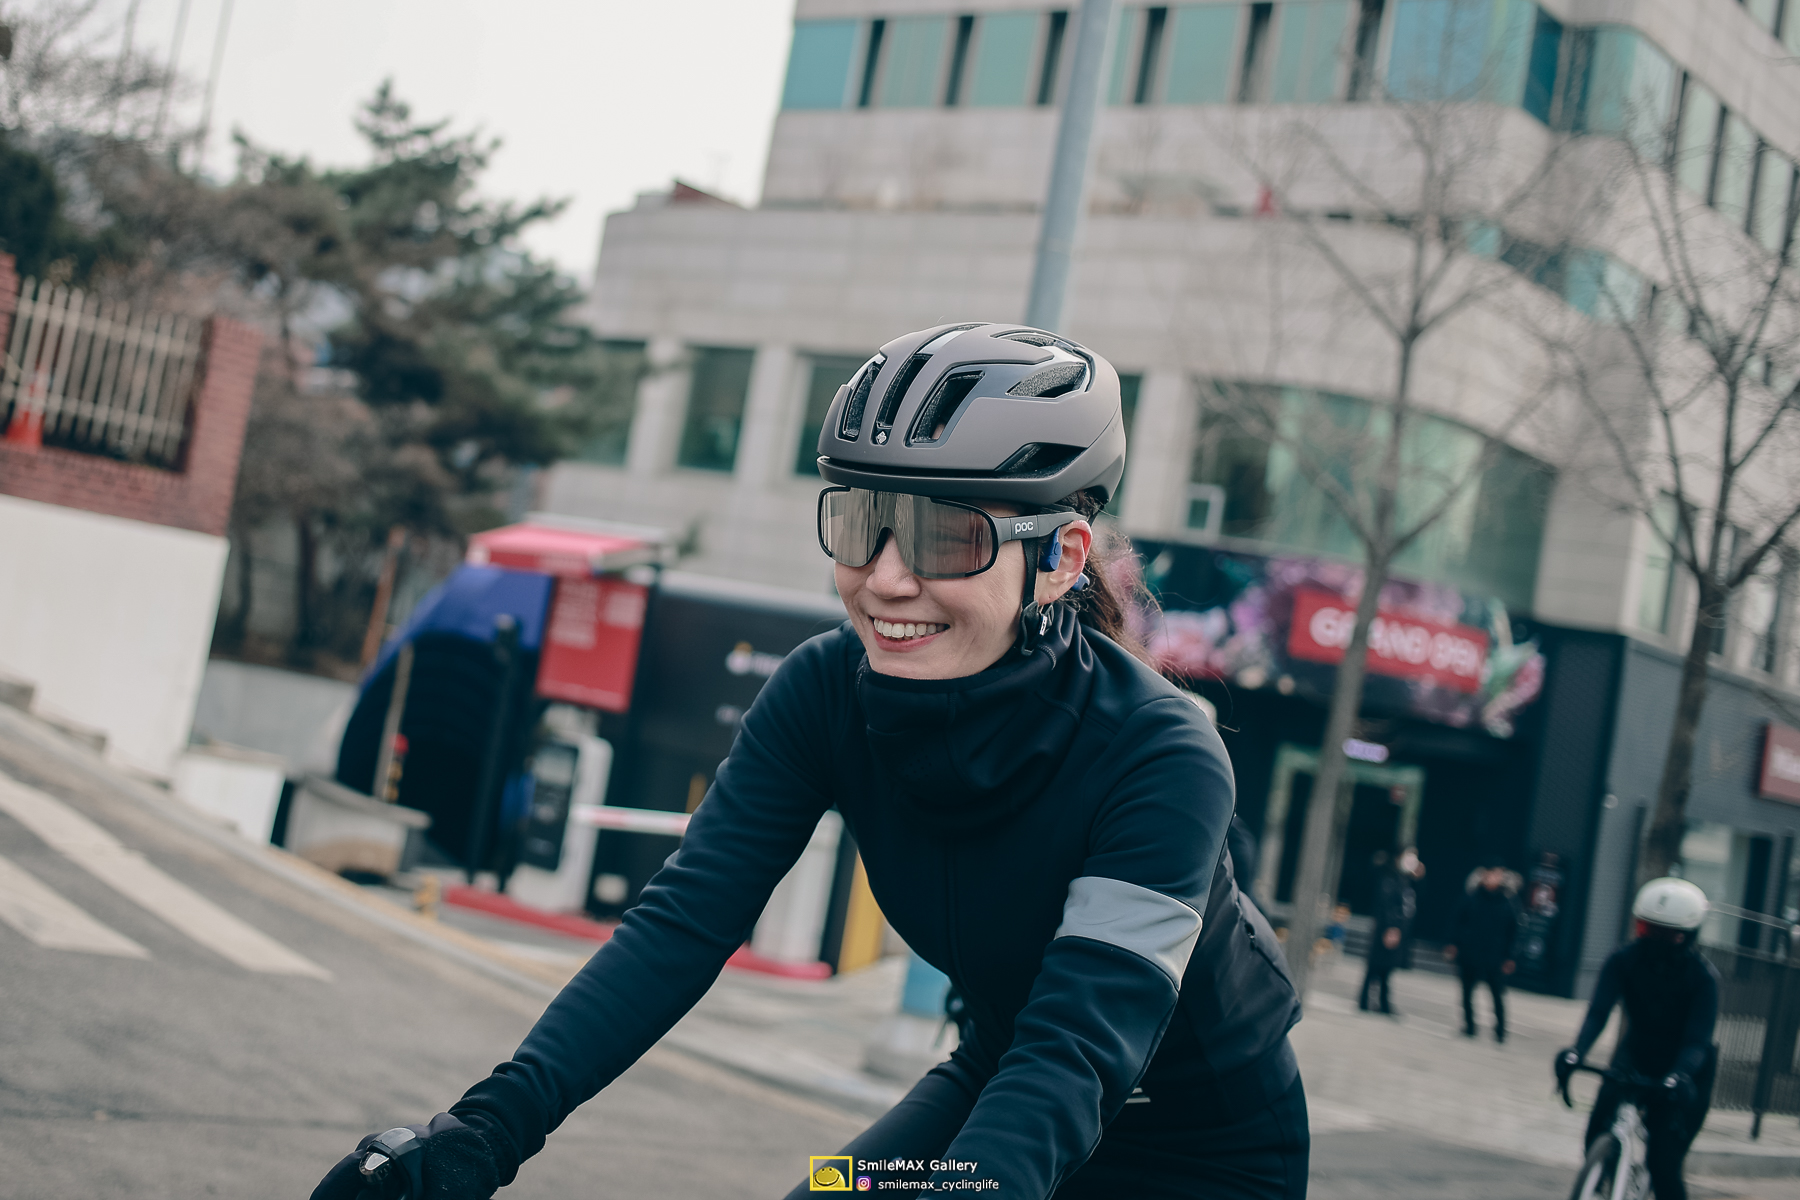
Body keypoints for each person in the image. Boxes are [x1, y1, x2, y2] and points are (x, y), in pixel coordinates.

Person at [311, 323, 1307, 1200]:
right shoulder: (825, 690)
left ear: (1063, 557)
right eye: (864, 524)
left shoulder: (1160, 755)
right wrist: (482, 1134)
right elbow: (681, 925)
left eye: (946, 537)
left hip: (1200, 1152)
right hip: (990, 1084)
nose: (885, 580)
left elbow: (1076, 1048)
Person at [1554, 878, 1718, 1200]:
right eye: (1646, 929)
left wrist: (1680, 1074)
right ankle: (1603, 1179)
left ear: (1687, 936)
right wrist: (1577, 1051)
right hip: (1637, 1052)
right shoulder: (1623, 960)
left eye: (1666, 934)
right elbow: (1597, 1013)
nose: (1653, 940)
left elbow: (1697, 1040)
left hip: (1686, 1067)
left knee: (1663, 1165)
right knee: (1595, 1134)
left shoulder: (1702, 979)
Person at [1445, 859, 1519, 1042]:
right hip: (1470, 953)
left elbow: (1514, 932)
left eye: (1497, 874)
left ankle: (1500, 1030)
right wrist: (1453, 944)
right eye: (1490, 874)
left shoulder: (1507, 902)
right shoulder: (1471, 897)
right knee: (1467, 992)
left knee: (1497, 994)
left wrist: (1510, 957)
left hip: (1495, 956)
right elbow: (1457, 921)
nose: (1492, 878)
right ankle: (1469, 1026)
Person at [1359, 848, 1422, 1016]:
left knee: (1386, 969)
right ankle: (1365, 1001)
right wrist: (1391, 927)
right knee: (1376, 966)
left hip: (1398, 931)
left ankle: (1382, 1003)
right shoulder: (1390, 877)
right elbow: (1386, 904)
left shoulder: (1406, 880)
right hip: (1387, 930)